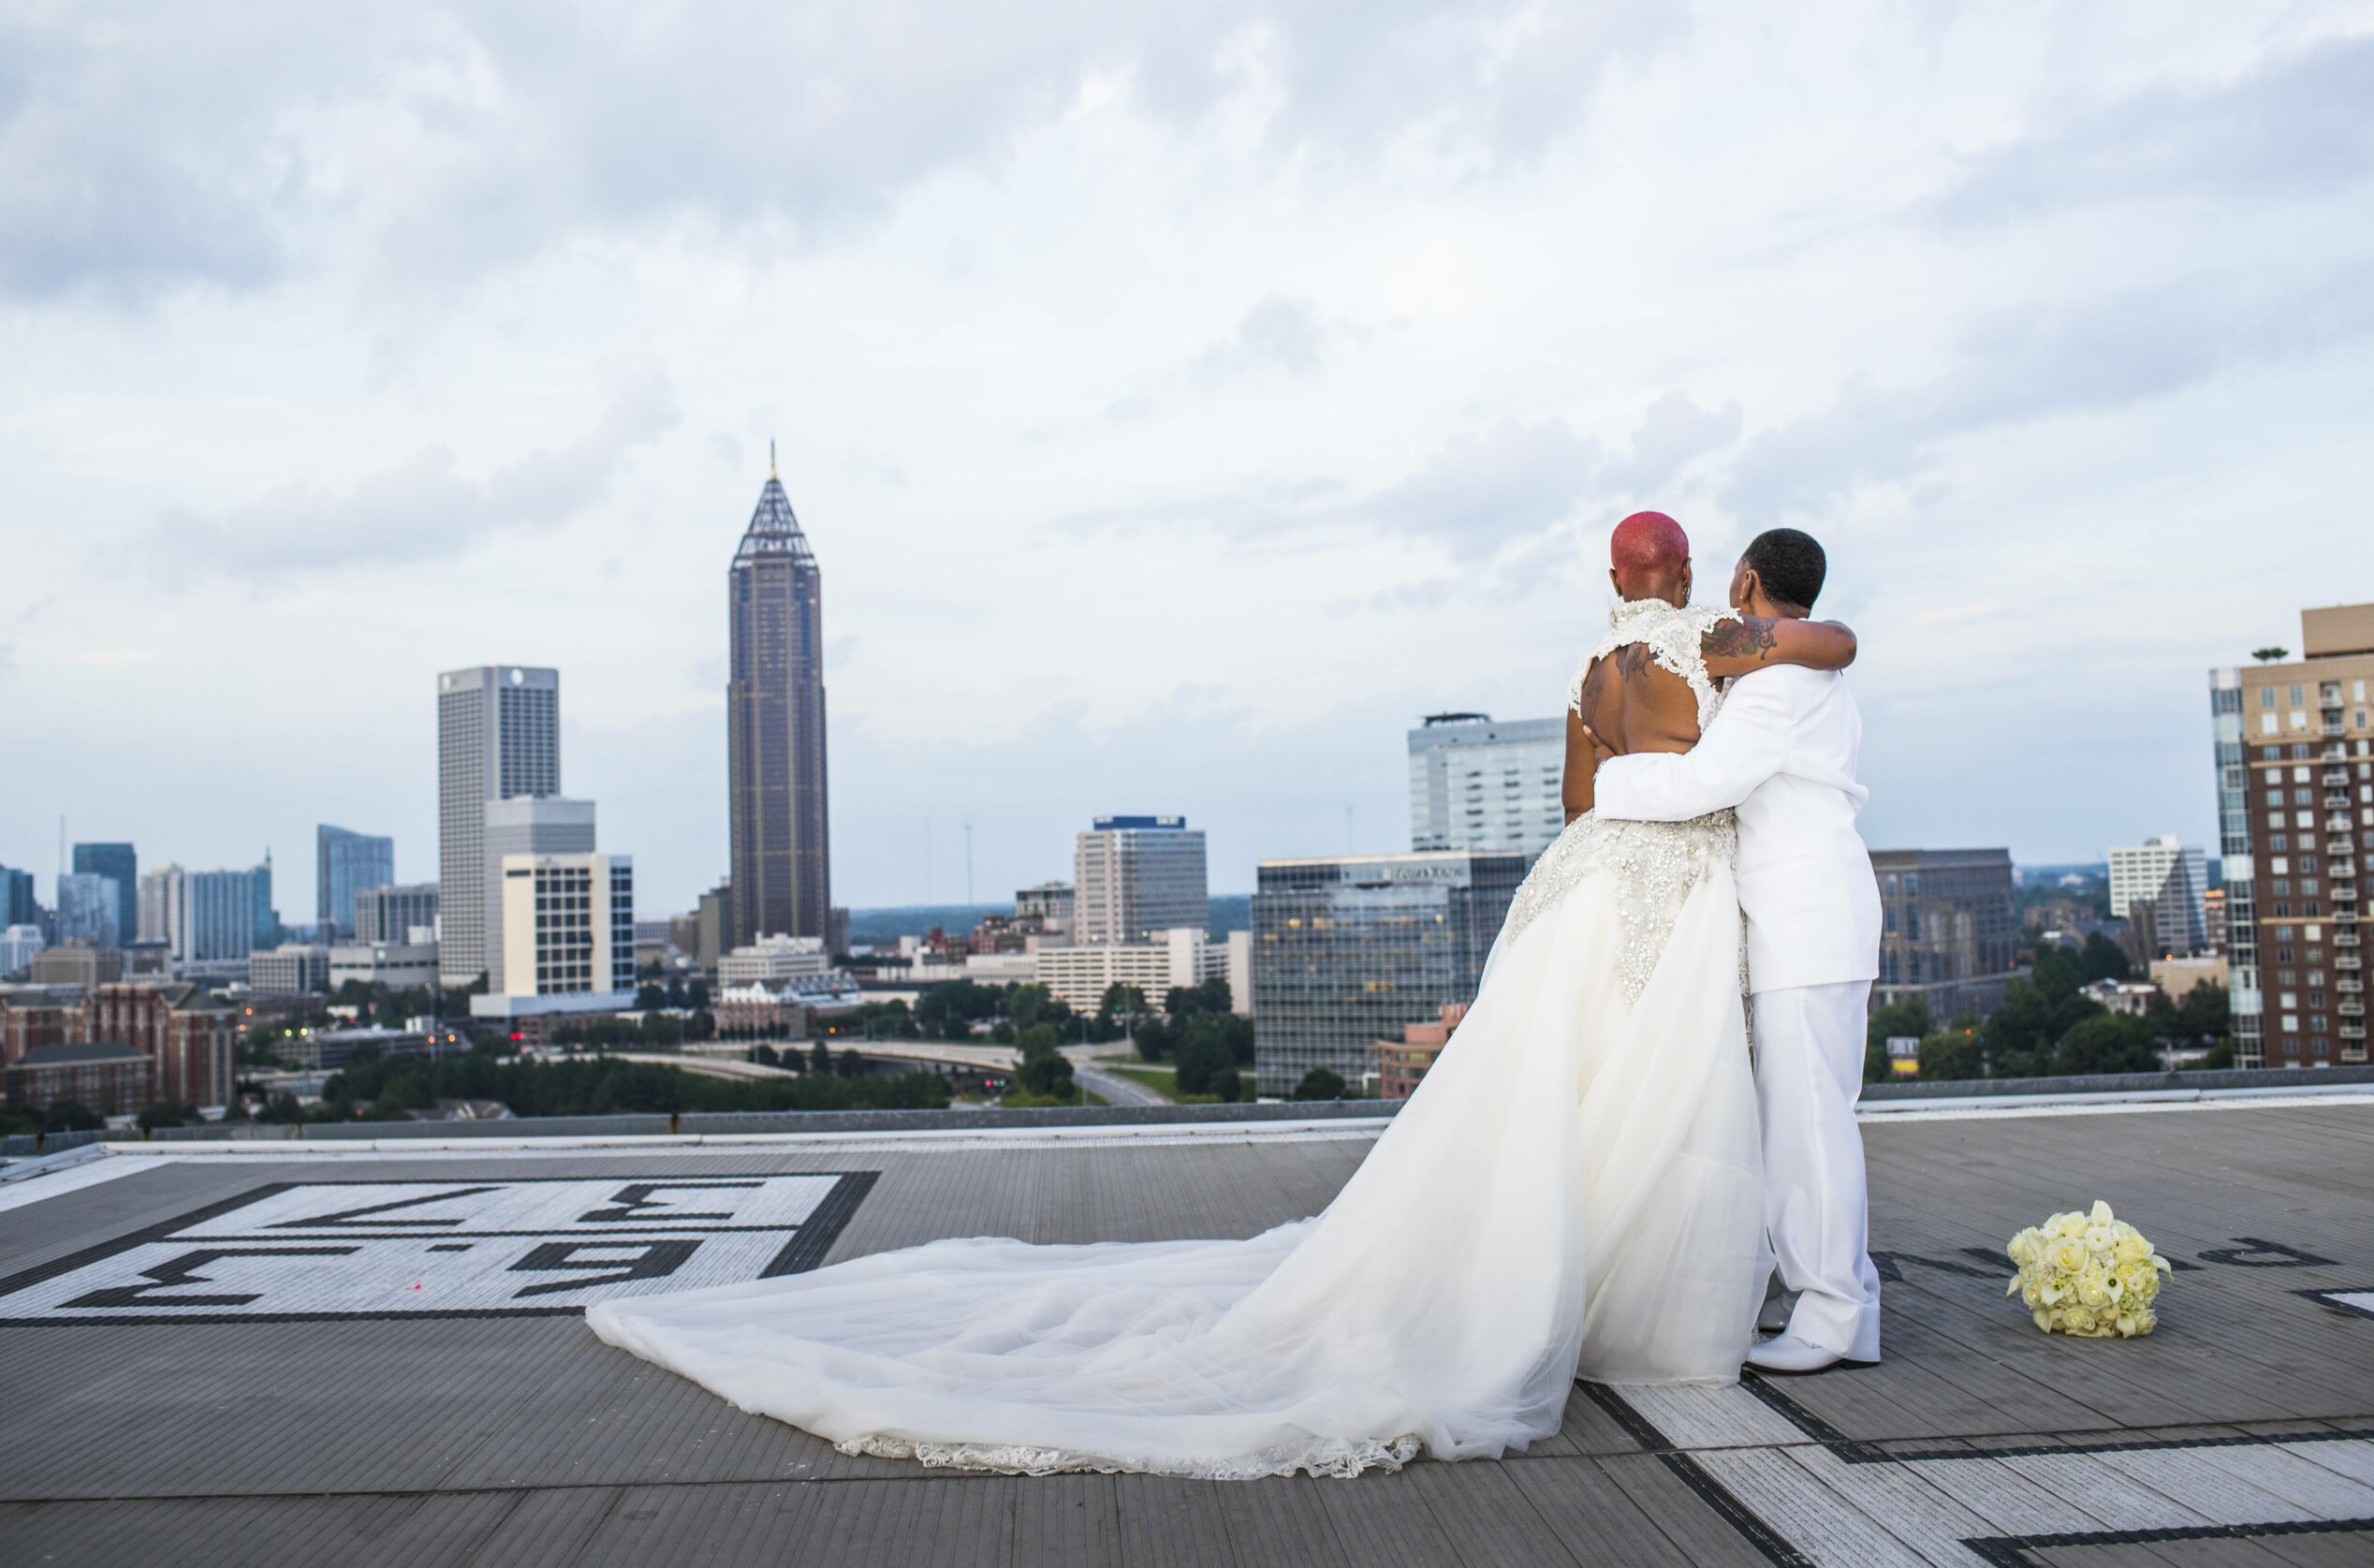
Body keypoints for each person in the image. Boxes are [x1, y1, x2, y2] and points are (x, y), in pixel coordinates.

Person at [586, 510, 1861, 1479]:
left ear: (1611, 578)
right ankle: (1671, 1290)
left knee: (1555, 1085)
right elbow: (1812, 659)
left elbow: (1582, 805)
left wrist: (1633, 792)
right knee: (1670, 1080)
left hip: (1584, 885)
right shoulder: (1719, 643)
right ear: (1687, 577)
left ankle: (1560, 1274)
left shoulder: (1585, 676)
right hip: (1682, 885)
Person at [1591, 526, 1883, 1375]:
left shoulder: (1776, 684)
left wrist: (1609, 778)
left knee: (1809, 1129)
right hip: (1825, 912)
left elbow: (1700, 784)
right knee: (1820, 1118)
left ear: (1746, 579)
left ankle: (1831, 1317)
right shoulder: (1818, 675)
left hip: (1804, 918)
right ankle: (1846, 1304)